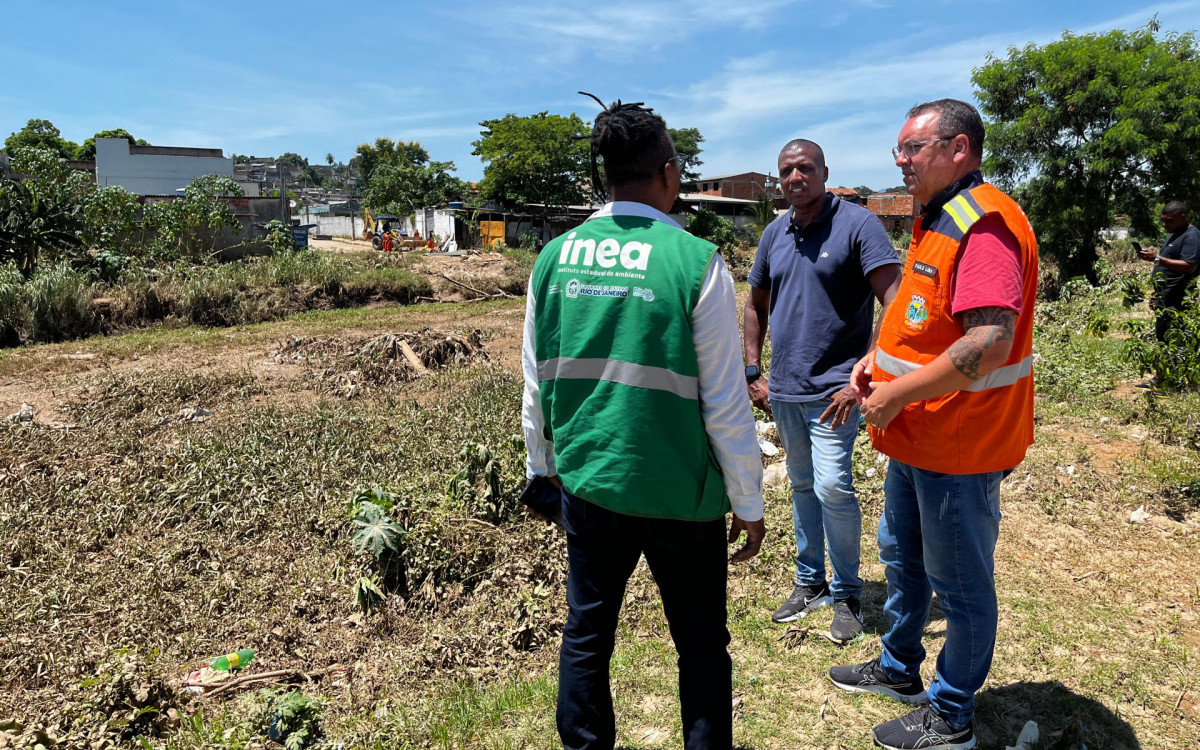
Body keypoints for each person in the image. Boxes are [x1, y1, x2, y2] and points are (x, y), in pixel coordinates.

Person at [521, 96, 765, 750]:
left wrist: (538, 470)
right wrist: (748, 498)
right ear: (666, 172)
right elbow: (724, 401)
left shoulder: (553, 259)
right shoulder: (695, 261)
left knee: (587, 635)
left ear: (607, 175)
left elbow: (536, 377)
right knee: (702, 647)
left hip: (590, 483)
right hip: (681, 497)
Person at [828, 99, 1038, 750]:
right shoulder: (938, 217)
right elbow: (927, 321)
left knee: (961, 585)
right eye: (900, 148)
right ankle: (897, 667)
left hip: (960, 445)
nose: (900, 159)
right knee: (904, 560)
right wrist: (875, 361)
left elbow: (986, 345)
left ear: (960, 150)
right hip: (921, 440)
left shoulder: (985, 225)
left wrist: (894, 396)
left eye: (914, 148)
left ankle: (951, 716)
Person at [744, 139, 901, 641]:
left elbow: (894, 302)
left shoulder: (858, 225)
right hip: (785, 390)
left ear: (824, 171)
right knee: (802, 484)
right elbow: (755, 305)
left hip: (838, 388)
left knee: (834, 486)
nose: (795, 177)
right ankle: (809, 581)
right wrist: (753, 370)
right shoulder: (775, 232)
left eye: (804, 168)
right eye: (786, 170)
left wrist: (867, 373)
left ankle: (848, 592)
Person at [1137, 200, 1200, 342]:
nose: (1164, 225)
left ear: (1182, 217)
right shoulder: (1174, 234)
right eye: (1163, 221)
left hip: (1179, 298)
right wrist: (1158, 295)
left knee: (1177, 339)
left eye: (1169, 221)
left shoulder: (1192, 236)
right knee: (1163, 337)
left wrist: (1156, 259)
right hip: (1166, 297)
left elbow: (1189, 266)